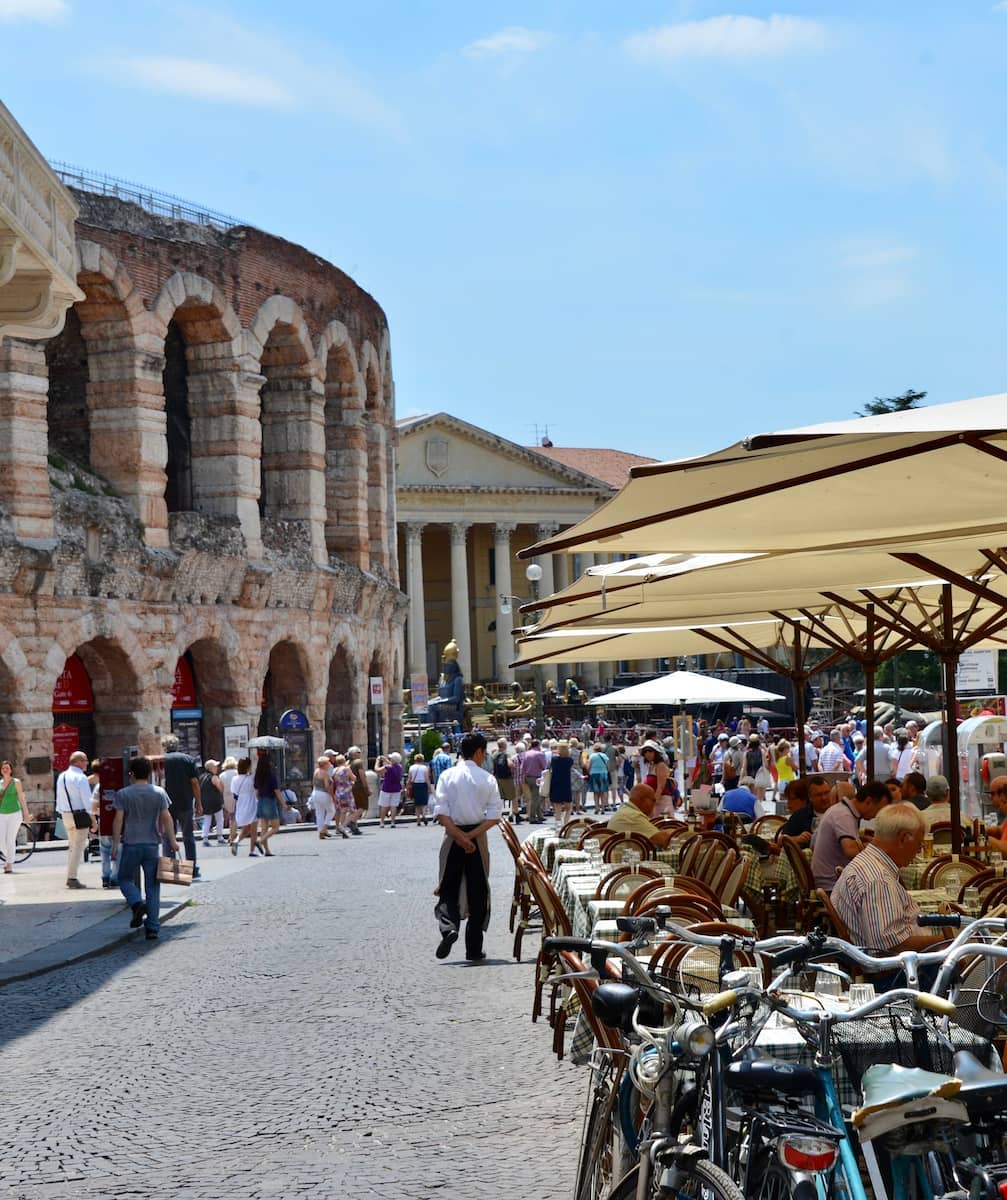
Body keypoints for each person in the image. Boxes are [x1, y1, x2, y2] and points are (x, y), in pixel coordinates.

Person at [830, 803, 953, 984]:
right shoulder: (879, 879)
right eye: (918, 845)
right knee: (981, 960)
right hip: (897, 976)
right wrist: (945, 940)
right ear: (903, 838)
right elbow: (892, 944)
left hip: (895, 967)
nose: (918, 852)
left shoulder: (869, 862)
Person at [433, 732, 501, 963]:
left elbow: (440, 812)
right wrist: (470, 837)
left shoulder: (447, 775)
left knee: (447, 886)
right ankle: (473, 948)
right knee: (478, 890)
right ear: (480, 752)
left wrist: (459, 836)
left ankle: (448, 927)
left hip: (452, 835)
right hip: (477, 836)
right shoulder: (487, 779)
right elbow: (494, 817)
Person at [111, 755, 178, 941]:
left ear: (131, 773)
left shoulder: (123, 794)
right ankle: (153, 928)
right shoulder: (159, 792)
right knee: (153, 886)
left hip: (131, 843)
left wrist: (115, 845)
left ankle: (136, 903)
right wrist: (172, 840)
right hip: (151, 844)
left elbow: (118, 820)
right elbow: (167, 818)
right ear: (149, 773)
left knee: (123, 878)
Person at [812, 780, 889, 893]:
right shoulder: (844, 815)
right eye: (879, 809)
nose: (877, 815)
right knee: (886, 888)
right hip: (832, 885)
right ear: (868, 801)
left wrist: (863, 841)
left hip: (830, 880)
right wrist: (878, 848)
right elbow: (850, 850)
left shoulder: (841, 809)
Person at [161, 733, 202, 880]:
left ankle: (170, 871)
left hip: (166, 804)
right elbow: (195, 782)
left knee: (167, 836)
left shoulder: (161, 760)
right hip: (185, 802)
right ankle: (192, 868)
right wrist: (198, 802)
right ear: (177, 745)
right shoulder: (187, 759)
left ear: (164, 746)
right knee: (188, 836)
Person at [56, 750, 98, 889]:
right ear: (78, 762)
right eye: (85, 760)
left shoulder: (62, 776)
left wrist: (62, 813)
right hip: (79, 815)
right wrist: (93, 820)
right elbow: (87, 802)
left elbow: (59, 799)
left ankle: (70, 875)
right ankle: (72, 878)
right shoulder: (80, 778)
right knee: (79, 846)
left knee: (72, 846)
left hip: (65, 815)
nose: (87, 763)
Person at [606, 783, 677, 846]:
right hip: (625, 859)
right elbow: (663, 840)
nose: (654, 804)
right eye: (653, 800)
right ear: (644, 800)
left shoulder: (627, 810)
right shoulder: (633, 816)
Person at [0, 759, 31, 875]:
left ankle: (9, 865)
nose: (5, 770)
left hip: (14, 814)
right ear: (1, 771)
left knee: (10, 839)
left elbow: (21, 798)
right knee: (1, 841)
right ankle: (9, 858)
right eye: (3, 768)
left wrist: (26, 814)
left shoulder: (16, 782)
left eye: (7, 768)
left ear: (11, 770)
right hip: (1, 814)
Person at [254, 753, 286, 854]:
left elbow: (256, 791)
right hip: (269, 801)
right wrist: (284, 804)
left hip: (261, 801)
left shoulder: (258, 775)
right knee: (275, 827)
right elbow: (277, 791)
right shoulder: (271, 775)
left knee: (264, 827)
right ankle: (260, 840)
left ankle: (267, 850)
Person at [230, 757, 262, 856]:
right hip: (251, 802)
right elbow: (256, 789)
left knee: (246, 828)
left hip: (241, 803)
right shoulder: (251, 778)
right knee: (253, 829)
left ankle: (236, 840)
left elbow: (234, 792)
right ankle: (251, 850)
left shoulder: (235, 778)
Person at [199, 759, 225, 846]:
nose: (217, 768)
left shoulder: (202, 777)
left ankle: (205, 838)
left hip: (205, 801)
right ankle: (220, 837)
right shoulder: (214, 777)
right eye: (215, 766)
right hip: (215, 801)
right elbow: (220, 788)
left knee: (207, 819)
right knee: (219, 819)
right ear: (211, 768)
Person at [548, 740, 574, 826]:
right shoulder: (569, 760)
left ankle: (558, 823)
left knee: (557, 807)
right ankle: (566, 823)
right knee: (568, 807)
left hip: (556, 784)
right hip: (566, 784)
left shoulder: (554, 760)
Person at [522, 739, 548, 823]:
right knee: (535, 797)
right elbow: (544, 766)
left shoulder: (526, 753)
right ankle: (532, 817)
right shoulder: (539, 754)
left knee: (534, 797)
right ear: (538, 745)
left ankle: (540, 815)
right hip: (536, 777)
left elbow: (523, 766)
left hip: (527, 777)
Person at [377, 752, 404, 828]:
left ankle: (382, 822)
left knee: (384, 805)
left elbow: (377, 770)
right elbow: (393, 765)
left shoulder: (387, 767)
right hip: (396, 789)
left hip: (386, 788)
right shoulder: (399, 767)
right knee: (393, 806)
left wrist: (377, 761)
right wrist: (386, 760)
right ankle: (392, 822)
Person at [330, 754, 354, 837]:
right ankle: (342, 826)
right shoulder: (346, 769)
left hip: (338, 792)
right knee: (352, 811)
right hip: (346, 791)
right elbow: (354, 778)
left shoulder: (334, 770)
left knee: (342, 810)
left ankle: (340, 827)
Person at [311, 755, 335, 839]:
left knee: (319, 813)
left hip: (315, 793)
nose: (329, 764)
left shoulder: (316, 771)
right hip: (323, 793)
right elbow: (327, 786)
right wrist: (332, 796)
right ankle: (324, 829)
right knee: (331, 811)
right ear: (325, 764)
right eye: (328, 763)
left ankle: (320, 830)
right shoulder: (325, 773)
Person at [346, 746, 368, 835]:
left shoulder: (348, 763)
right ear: (354, 754)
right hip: (359, 787)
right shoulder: (358, 762)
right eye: (358, 752)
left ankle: (354, 826)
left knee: (353, 808)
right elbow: (362, 775)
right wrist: (366, 787)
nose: (360, 754)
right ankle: (351, 821)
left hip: (351, 787)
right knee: (362, 806)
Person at [406, 753, 432, 827]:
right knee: (424, 802)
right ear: (422, 760)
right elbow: (427, 778)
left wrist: (407, 787)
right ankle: (423, 815)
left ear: (415, 760)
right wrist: (429, 787)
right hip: (423, 785)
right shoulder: (425, 768)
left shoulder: (411, 767)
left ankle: (418, 820)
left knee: (417, 804)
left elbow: (409, 778)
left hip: (415, 785)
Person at [218, 756, 238, 846]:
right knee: (235, 817)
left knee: (231, 816)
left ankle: (231, 835)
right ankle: (232, 836)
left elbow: (221, 788)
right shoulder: (237, 773)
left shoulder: (221, 775)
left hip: (226, 796)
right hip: (235, 795)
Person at [587, 743, 610, 814]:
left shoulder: (592, 756)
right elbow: (608, 766)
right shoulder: (604, 756)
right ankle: (603, 808)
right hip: (603, 773)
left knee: (596, 792)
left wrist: (588, 772)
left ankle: (597, 808)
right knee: (603, 792)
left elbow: (589, 766)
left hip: (594, 774)